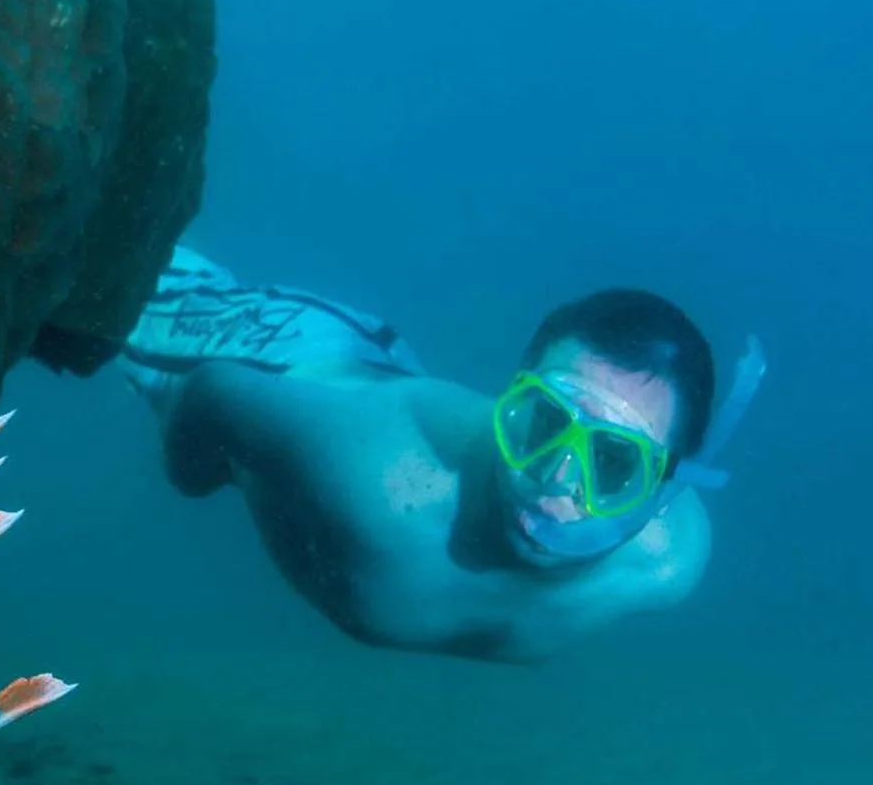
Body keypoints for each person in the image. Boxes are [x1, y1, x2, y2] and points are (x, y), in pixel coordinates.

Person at [121, 246, 764, 663]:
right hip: (289, 359)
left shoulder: (667, 564)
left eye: (615, 464)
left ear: (663, 490)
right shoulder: (380, 479)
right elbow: (214, 389)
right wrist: (194, 471)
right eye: (540, 423)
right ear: (508, 396)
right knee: (106, 286)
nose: (556, 479)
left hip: (375, 398)